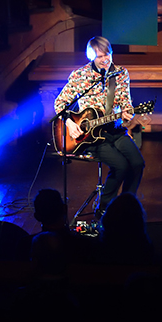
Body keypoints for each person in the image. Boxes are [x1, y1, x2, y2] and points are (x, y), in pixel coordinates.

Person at [54, 36, 145, 217]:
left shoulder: (120, 73)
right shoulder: (80, 76)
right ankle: (103, 208)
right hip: (90, 136)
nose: (105, 60)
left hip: (115, 130)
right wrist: (70, 123)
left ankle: (127, 206)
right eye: (100, 56)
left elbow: (125, 101)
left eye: (108, 55)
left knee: (137, 164)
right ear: (90, 56)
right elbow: (60, 104)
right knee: (120, 166)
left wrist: (128, 112)